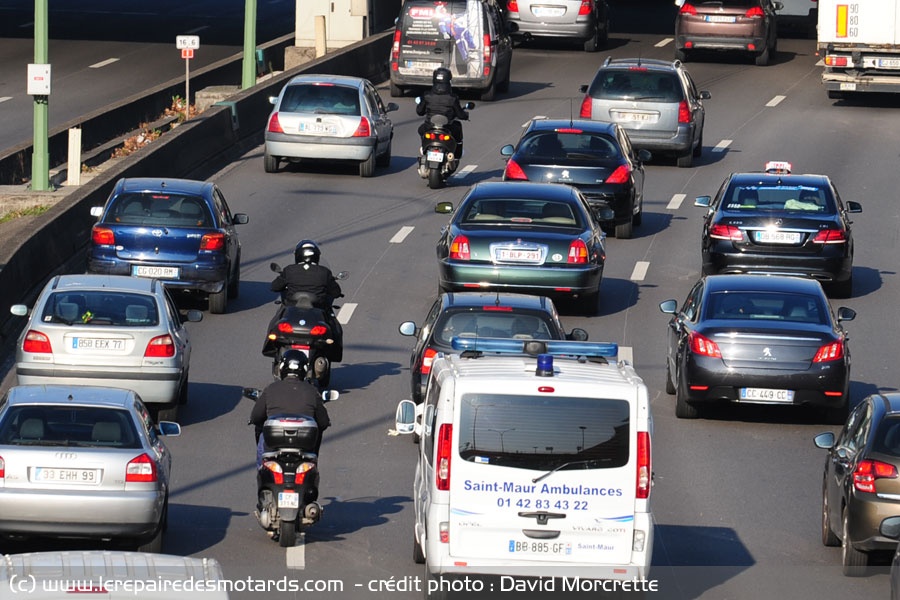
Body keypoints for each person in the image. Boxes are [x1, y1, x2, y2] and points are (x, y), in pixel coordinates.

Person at [250, 350, 331, 468]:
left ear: (282, 368)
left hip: (272, 448)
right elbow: (323, 422)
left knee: (261, 431)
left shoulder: (271, 389)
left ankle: (261, 467)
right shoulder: (312, 391)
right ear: (304, 370)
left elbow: (256, 417)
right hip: (306, 447)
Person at [271, 240, 342, 311]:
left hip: (291, 310)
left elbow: (274, 287)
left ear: (297, 255)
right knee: (332, 320)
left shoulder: (289, 270)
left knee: (277, 319)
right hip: (318, 310)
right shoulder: (324, 272)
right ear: (317, 256)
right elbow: (336, 292)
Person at [416, 67, 469, 154]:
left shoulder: (427, 95)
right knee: (457, 128)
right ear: (448, 81)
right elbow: (460, 115)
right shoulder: (452, 98)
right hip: (447, 127)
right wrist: (465, 115)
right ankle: (457, 153)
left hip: (429, 126)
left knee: (421, 130)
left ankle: (424, 147)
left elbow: (419, 112)